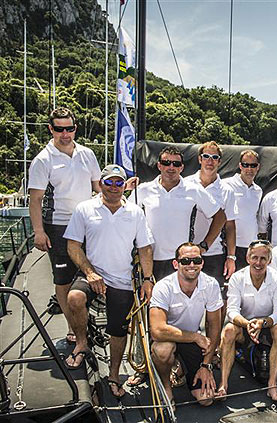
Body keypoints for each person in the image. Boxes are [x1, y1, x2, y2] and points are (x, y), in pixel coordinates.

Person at [64, 164, 154, 398]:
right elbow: (73, 246)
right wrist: (90, 273)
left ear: (125, 186)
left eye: (119, 183)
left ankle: (114, 374)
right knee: (74, 297)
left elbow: (144, 248)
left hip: (122, 279)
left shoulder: (135, 212)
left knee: (118, 329)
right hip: (91, 272)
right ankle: (82, 343)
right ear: (101, 183)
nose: (114, 187)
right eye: (109, 182)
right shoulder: (84, 208)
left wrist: (147, 279)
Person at [28, 107, 101, 344]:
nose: (65, 133)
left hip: (87, 222)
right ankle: (74, 327)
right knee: (63, 279)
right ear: (51, 129)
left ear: (75, 128)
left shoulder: (87, 154)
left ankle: (83, 316)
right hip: (58, 225)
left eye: (69, 128)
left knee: (89, 271)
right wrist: (39, 231)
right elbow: (36, 199)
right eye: (59, 129)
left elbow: (98, 187)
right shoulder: (43, 160)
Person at [135, 146, 225, 281]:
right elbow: (125, 211)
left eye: (176, 164)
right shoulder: (143, 190)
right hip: (150, 261)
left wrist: (204, 246)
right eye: (166, 163)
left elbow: (220, 216)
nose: (171, 167)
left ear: (181, 168)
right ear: (159, 165)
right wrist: (124, 187)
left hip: (182, 262)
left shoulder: (194, 190)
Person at [150, 242, 223, 406]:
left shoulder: (210, 284)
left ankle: (180, 367)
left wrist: (206, 365)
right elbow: (157, 330)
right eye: (185, 261)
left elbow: (214, 326)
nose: (192, 265)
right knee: (163, 350)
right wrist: (195, 337)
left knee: (206, 399)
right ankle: (166, 387)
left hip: (191, 340)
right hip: (168, 338)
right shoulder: (163, 287)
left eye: (196, 260)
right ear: (176, 264)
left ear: (202, 263)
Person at [219, 240, 277, 401]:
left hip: (267, 326)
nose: (258, 262)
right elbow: (232, 311)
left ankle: (272, 385)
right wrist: (248, 324)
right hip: (245, 326)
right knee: (228, 330)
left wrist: (262, 323)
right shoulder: (237, 278)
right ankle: (223, 384)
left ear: (269, 261)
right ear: (248, 258)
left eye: (263, 258)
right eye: (254, 258)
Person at [184, 141, 236, 287]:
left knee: (213, 301)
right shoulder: (184, 184)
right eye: (206, 156)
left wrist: (231, 257)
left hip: (214, 254)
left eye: (214, 157)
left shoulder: (227, 190)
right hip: (186, 254)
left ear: (219, 161)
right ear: (199, 159)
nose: (210, 161)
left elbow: (230, 225)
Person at [222, 150, 263, 270]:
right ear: (240, 166)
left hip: (251, 247)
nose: (249, 168)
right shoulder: (226, 185)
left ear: (258, 167)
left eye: (253, 165)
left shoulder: (258, 191)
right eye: (246, 165)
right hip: (230, 248)